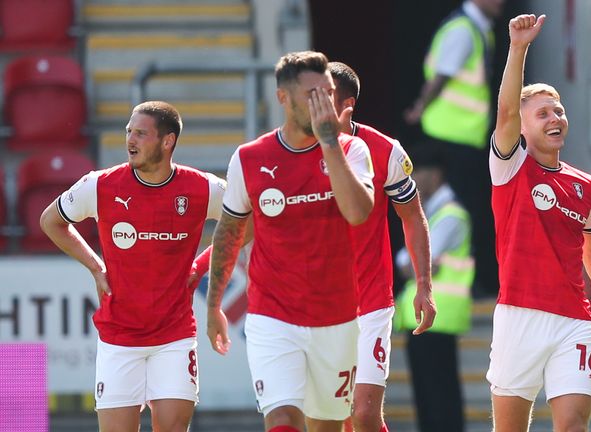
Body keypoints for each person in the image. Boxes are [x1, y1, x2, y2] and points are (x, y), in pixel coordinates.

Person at [205, 51, 374, 432]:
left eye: (328, 93)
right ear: (283, 97)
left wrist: (330, 144)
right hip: (272, 316)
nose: (324, 104)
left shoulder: (352, 150)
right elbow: (230, 232)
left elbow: (357, 213)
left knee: (326, 426)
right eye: (312, 94)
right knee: (282, 419)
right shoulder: (249, 158)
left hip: (338, 316)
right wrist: (214, 303)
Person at [39, 101, 226, 432]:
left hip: (175, 335)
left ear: (167, 141)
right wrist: (95, 267)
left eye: (141, 133)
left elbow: (247, 220)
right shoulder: (100, 185)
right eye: (128, 131)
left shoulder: (201, 187)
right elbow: (50, 221)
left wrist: (202, 264)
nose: (130, 140)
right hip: (119, 337)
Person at [486, 14, 591, 432]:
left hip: (574, 322)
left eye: (559, 111)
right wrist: (518, 47)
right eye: (543, 113)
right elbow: (508, 108)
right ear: (524, 128)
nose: (555, 118)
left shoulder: (586, 185)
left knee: (572, 425)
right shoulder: (510, 167)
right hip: (518, 317)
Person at [328, 61, 437, 432]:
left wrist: (424, 285)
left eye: (321, 97)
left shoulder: (384, 150)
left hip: (370, 302)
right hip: (316, 305)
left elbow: (412, 216)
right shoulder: (292, 149)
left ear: (347, 105)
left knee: (363, 414)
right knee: (332, 415)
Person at [404, 0, 504, 297]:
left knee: (470, 211)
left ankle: (477, 279)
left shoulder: (478, 29)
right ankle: (476, 280)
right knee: (462, 211)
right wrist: (420, 108)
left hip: (464, 138)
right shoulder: (463, 30)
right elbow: (442, 76)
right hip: (450, 139)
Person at [393, 145, 474, 432]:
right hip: (423, 317)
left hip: (438, 317)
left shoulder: (450, 214)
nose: (415, 180)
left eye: (420, 173)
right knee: (428, 399)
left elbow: (408, 263)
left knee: (440, 399)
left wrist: (417, 262)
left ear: (436, 174)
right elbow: (407, 260)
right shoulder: (432, 212)